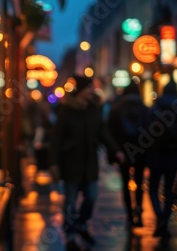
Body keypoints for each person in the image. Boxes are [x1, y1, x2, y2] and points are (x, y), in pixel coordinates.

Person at [48, 75, 124, 249]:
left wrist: (116, 150)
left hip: (90, 163)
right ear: (81, 91)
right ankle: (71, 235)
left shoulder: (94, 110)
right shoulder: (67, 111)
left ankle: (82, 224)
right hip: (71, 164)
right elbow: (56, 139)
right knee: (70, 203)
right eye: (89, 88)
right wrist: (53, 163)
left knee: (92, 197)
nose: (92, 91)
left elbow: (103, 132)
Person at [145, 79, 177, 238]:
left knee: (152, 188)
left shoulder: (154, 108)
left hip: (155, 155)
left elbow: (146, 132)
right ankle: (165, 219)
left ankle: (159, 217)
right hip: (174, 155)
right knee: (169, 190)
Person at [107, 80, 149, 229]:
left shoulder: (116, 109)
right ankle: (138, 208)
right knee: (140, 182)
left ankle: (129, 216)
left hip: (123, 153)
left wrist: (114, 154)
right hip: (141, 151)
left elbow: (109, 132)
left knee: (125, 184)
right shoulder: (145, 109)